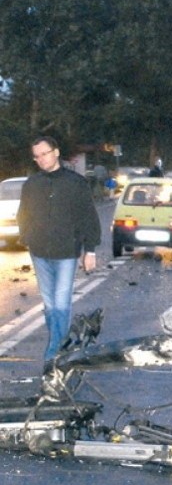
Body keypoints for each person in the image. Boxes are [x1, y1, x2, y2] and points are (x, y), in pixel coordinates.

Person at [17, 136, 101, 370]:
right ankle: (60, 345)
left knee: (61, 303)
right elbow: (23, 214)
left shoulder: (75, 183)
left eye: (45, 153)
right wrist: (27, 236)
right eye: (37, 156)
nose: (41, 159)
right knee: (49, 304)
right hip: (40, 252)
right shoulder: (32, 184)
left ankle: (54, 351)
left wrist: (90, 250)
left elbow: (88, 218)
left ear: (56, 152)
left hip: (66, 253)